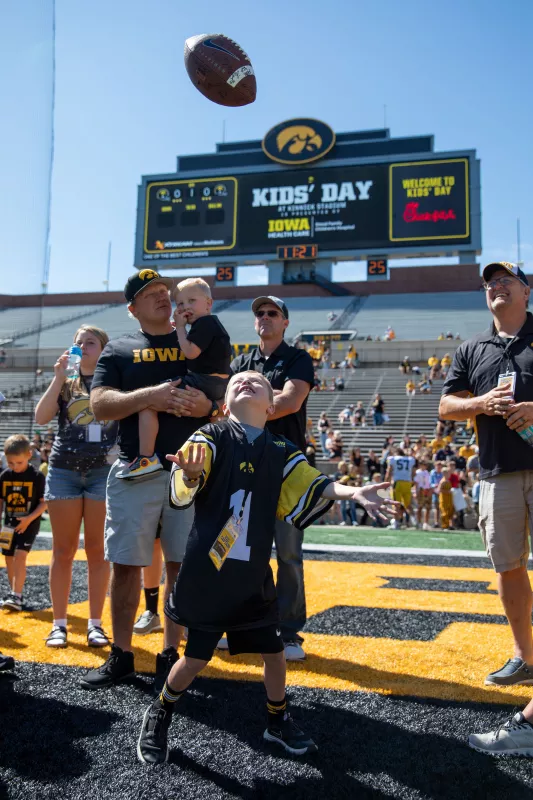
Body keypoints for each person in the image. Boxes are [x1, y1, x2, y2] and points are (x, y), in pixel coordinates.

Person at [136, 370, 397, 765]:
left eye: (257, 381)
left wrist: (354, 491)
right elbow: (187, 478)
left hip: (251, 576)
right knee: (194, 660)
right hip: (208, 575)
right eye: (238, 380)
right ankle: (160, 711)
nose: (247, 382)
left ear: (272, 406)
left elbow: (317, 483)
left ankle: (277, 719)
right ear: (224, 404)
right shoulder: (211, 435)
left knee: (274, 653)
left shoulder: (281, 449)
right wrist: (188, 474)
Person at [80, 270, 213, 691]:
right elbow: (99, 405)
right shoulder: (118, 349)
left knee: (179, 563)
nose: (162, 296)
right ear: (132, 307)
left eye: (164, 291)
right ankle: (121, 654)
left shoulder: (197, 339)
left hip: (188, 470)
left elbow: (219, 395)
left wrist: (203, 404)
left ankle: (170, 653)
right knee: (125, 564)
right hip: (135, 471)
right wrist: (150, 397)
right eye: (150, 294)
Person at [439, 262, 533, 754]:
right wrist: (481, 404)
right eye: (489, 283)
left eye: (506, 281)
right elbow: (444, 407)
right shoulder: (472, 347)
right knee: (508, 565)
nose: (495, 287)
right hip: (497, 471)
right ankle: (524, 654)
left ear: (526, 290)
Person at [229, 296, 315, 661]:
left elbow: (292, 402)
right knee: (240, 550)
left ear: (285, 322)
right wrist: (263, 402)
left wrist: (250, 404)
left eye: (272, 313)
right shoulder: (241, 362)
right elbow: (226, 406)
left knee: (289, 555)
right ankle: (241, 623)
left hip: (285, 465)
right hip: (243, 464)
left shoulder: (298, 358)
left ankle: (290, 631)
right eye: (259, 314)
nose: (264, 317)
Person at [35, 325, 118, 648]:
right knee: (63, 550)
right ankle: (59, 624)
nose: (83, 346)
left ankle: (95, 624)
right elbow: (41, 418)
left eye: (91, 342)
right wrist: (57, 378)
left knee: (98, 551)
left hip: (101, 472)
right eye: (79, 342)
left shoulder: (113, 382)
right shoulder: (65, 383)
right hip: (64, 471)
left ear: (103, 348)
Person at [117, 278, 231, 480]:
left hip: (204, 381)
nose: (186, 307)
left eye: (191, 301)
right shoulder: (208, 324)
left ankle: (145, 459)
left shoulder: (206, 323)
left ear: (208, 303)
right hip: (217, 384)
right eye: (180, 304)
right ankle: (219, 455)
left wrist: (179, 328)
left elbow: (190, 352)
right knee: (212, 419)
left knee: (149, 402)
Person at [0, 434, 47, 610]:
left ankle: (17, 595)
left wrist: (28, 519)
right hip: (8, 524)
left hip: (29, 522)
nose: (15, 467)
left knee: (20, 556)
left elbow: (44, 503)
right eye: (11, 463)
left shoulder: (37, 477)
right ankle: (13, 593)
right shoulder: (4, 476)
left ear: (29, 455)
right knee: (9, 558)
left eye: (18, 463)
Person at [386, 447, 416, 529]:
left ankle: (396, 523)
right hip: (407, 483)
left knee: (396, 504)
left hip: (398, 483)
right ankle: (415, 521)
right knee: (408, 504)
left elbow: (389, 471)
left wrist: (385, 483)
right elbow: (413, 473)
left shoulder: (393, 459)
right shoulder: (410, 459)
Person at [414, 461, 432, 530]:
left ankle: (425, 523)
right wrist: (416, 492)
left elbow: (428, 482)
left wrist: (429, 490)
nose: (424, 466)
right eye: (423, 464)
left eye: (425, 465)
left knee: (428, 507)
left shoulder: (427, 472)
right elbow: (416, 483)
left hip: (427, 490)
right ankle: (419, 522)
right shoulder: (418, 472)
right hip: (421, 490)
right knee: (420, 507)